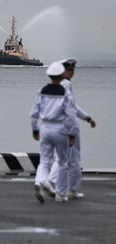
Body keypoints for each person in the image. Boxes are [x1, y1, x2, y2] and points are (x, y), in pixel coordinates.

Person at [46, 59, 96, 199]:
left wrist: (86, 117)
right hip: (68, 125)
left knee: (64, 157)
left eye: (72, 70)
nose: (72, 72)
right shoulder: (66, 84)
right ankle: (62, 185)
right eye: (70, 70)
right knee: (72, 158)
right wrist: (74, 128)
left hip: (56, 125)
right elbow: (70, 108)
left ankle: (67, 187)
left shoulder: (56, 85)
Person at [30, 62, 78, 203]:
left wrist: (34, 128)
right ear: (62, 75)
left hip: (44, 127)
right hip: (60, 127)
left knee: (44, 160)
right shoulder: (66, 93)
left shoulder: (42, 90)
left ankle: (39, 182)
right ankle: (60, 194)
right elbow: (70, 116)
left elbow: (33, 113)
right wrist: (72, 133)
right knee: (63, 161)